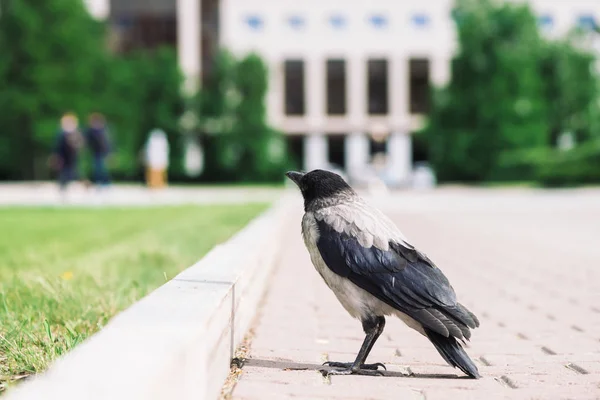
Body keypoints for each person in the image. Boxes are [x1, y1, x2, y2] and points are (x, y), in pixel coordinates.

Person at [50, 113, 84, 197]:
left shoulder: (74, 133)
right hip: (63, 157)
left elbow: (79, 144)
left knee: (72, 172)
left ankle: (78, 185)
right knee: (65, 173)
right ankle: (63, 188)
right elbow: (57, 146)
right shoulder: (62, 133)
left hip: (72, 156)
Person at [85, 113, 111, 188]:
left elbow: (107, 143)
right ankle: (100, 183)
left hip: (101, 153)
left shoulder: (102, 131)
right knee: (98, 169)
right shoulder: (92, 130)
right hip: (95, 153)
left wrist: (108, 153)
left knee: (101, 169)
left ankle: (104, 183)